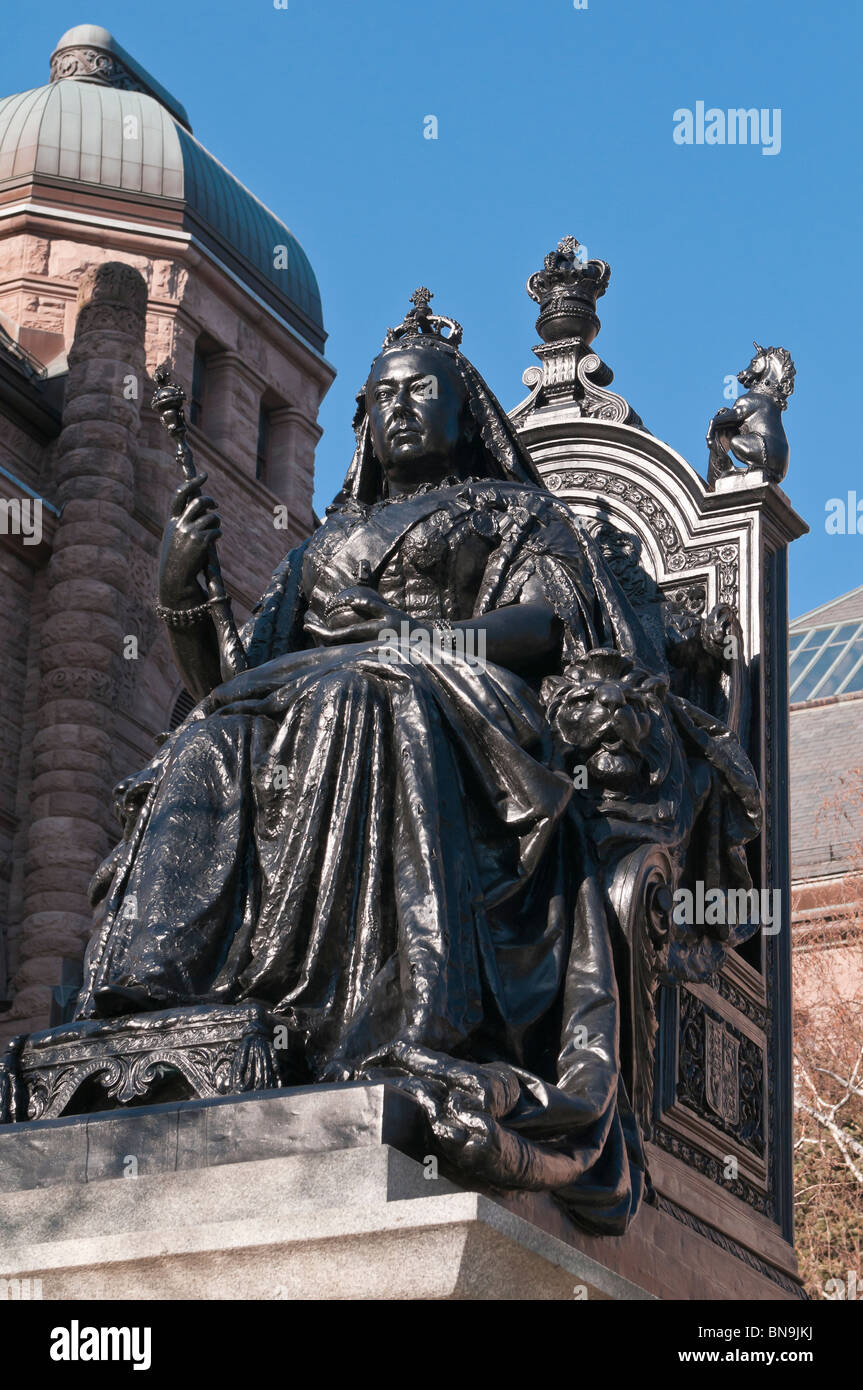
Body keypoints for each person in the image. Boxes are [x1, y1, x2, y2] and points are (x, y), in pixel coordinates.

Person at [77, 301, 761, 1232]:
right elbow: (235, 682)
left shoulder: (515, 514)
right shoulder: (321, 543)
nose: (399, 409)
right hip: (322, 704)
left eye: (421, 392)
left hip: (458, 706)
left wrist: (412, 633)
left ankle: (368, 1023)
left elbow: (543, 630)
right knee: (206, 741)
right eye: (382, 396)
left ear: (462, 410)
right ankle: (150, 998)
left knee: (364, 689)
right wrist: (181, 591)